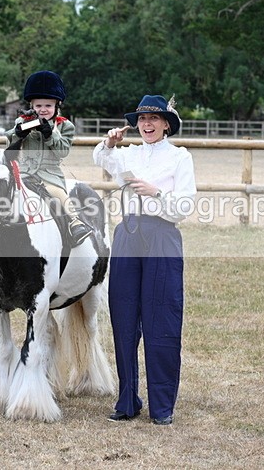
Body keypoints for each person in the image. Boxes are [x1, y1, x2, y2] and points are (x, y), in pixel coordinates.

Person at [93, 94, 197, 426]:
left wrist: (157, 193)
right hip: (128, 234)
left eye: (153, 118)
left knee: (161, 319)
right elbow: (101, 158)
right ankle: (127, 401)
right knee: (123, 318)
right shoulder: (130, 154)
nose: (146, 124)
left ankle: (162, 406)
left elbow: (185, 205)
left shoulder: (180, 157)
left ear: (167, 124)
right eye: (141, 119)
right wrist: (109, 143)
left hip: (162, 236)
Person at [5, 70, 91, 246]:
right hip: (24, 173)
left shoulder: (65, 126)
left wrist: (50, 135)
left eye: (48, 106)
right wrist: (18, 134)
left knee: (59, 195)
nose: (43, 110)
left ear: (56, 106)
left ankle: (75, 222)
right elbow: (10, 150)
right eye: (38, 106)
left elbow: (62, 152)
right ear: (31, 105)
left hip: (49, 175)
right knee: (3, 193)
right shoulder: (22, 121)